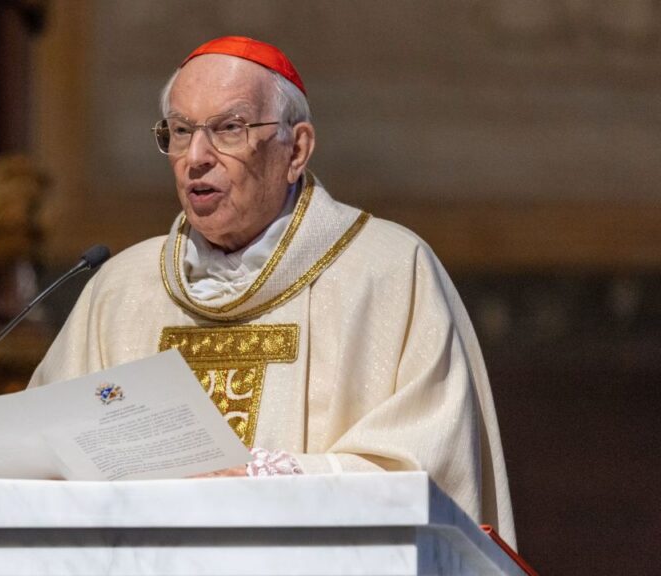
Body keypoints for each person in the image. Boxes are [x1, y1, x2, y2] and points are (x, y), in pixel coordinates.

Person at [29, 36, 514, 546]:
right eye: (180, 131)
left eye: (229, 129)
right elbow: (43, 463)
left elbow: (423, 473)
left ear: (296, 149)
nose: (196, 157)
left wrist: (253, 482)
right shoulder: (119, 291)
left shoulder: (389, 274)